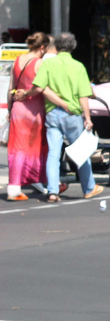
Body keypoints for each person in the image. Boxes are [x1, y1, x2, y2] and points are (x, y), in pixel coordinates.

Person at [29, 32, 101, 202]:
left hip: (52, 113)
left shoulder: (48, 65)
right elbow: (84, 96)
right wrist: (88, 118)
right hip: (72, 115)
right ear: (73, 46)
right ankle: (89, 187)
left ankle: (53, 191)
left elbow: (39, 86)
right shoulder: (78, 67)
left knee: (53, 154)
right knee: (81, 152)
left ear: (56, 46)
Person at [5, 33, 52, 201]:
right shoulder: (39, 63)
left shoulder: (18, 60)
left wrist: (10, 110)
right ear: (42, 47)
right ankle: (21, 186)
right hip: (34, 110)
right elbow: (40, 88)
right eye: (45, 49)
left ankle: (17, 184)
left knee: (17, 148)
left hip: (18, 109)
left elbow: (10, 88)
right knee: (37, 147)